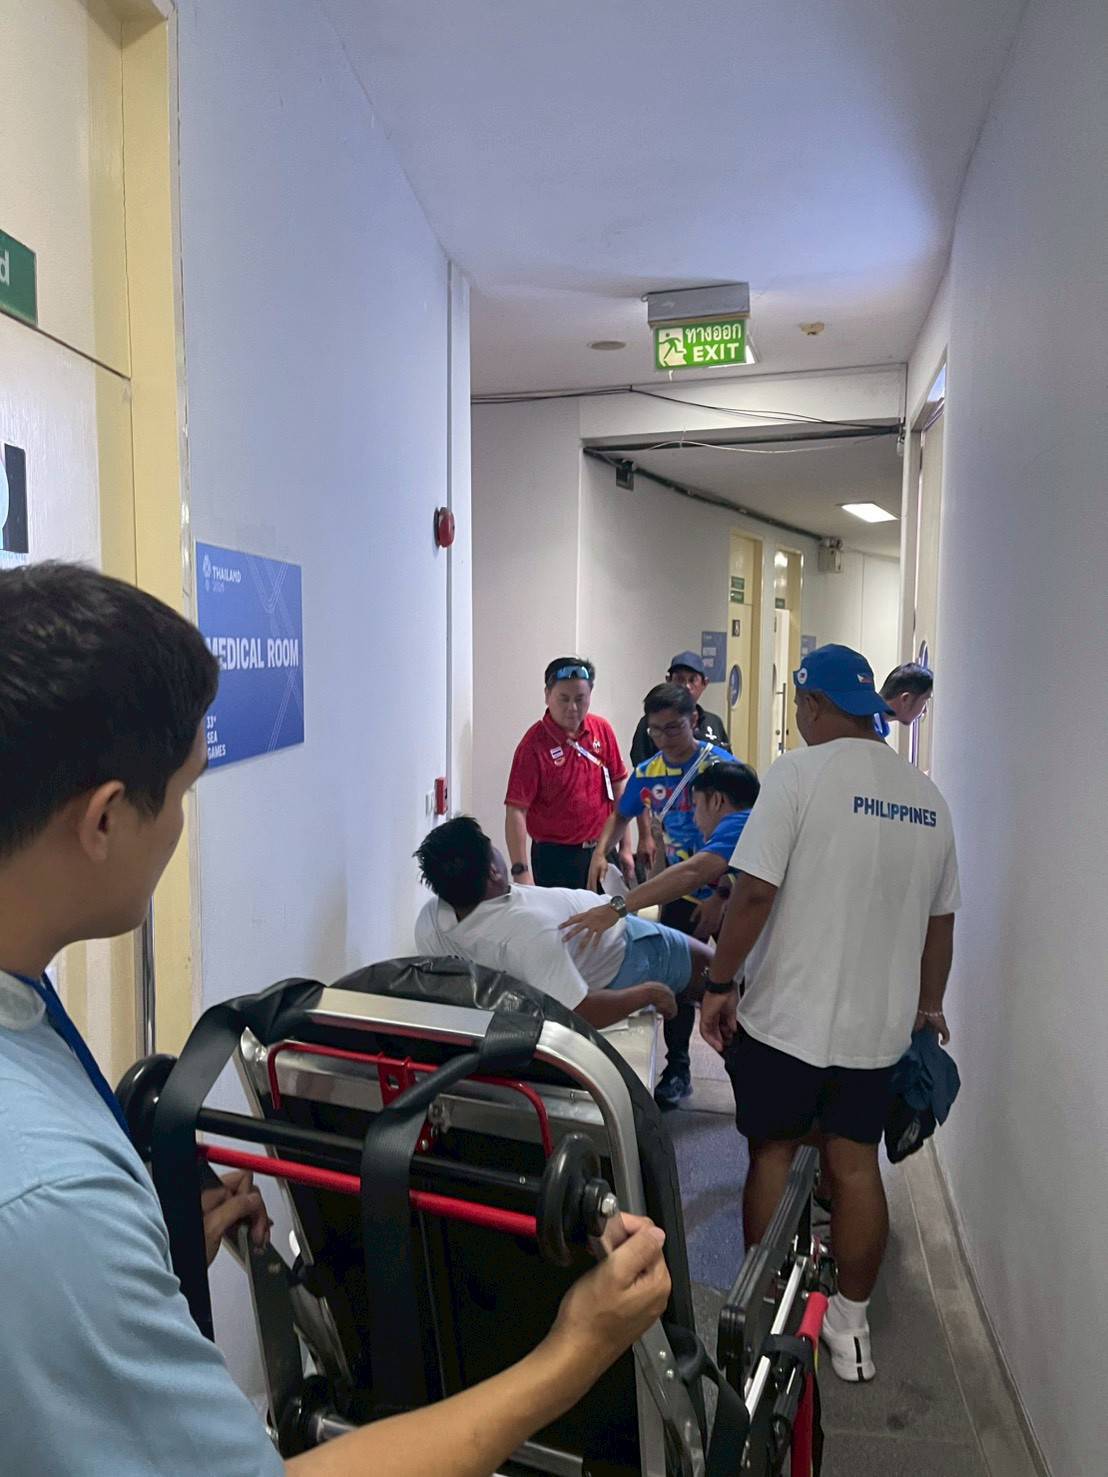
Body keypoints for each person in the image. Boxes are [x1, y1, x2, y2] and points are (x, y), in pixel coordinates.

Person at [0, 562, 670, 1477]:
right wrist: (575, 1349)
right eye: (186, 792)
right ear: (106, 819)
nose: (182, 826)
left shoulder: (27, 1018)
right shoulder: (52, 1204)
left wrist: (126, 1265)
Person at [698, 644, 960, 1385]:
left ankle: (767, 1312)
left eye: (800, 708)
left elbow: (753, 893)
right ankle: (851, 1327)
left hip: (787, 1020)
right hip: (876, 1030)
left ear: (813, 705)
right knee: (854, 1163)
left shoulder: (797, 775)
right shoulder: (928, 799)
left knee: (772, 1155)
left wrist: (719, 983)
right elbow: (941, 923)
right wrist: (928, 1004)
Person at [414, 816, 713, 1029]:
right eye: (492, 847)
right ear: (493, 871)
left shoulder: (432, 920)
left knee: (714, 988)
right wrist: (648, 993)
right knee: (719, 979)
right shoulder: (527, 934)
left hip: (612, 932)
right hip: (630, 951)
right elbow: (580, 1011)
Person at [591, 684, 733, 1108]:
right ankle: (678, 1069)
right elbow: (620, 815)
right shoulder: (647, 772)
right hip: (678, 893)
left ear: (694, 720)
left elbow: (750, 835)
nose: (664, 738)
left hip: (729, 894)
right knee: (678, 979)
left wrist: (722, 896)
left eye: (673, 728)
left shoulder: (721, 767)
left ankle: (745, 1066)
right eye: (655, 730)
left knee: (735, 982)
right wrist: (600, 852)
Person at [560, 762, 760, 948]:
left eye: (696, 805)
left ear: (717, 801)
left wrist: (614, 909)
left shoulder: (738, 824)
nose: (694, 818)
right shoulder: (751, 823)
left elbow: (692, 872)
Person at [505, 657, 631, 889]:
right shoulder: (533, 745)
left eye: (580, 699)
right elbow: (516, 810)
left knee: (610, 911)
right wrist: (520, 871)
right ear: (547, 695)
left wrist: (625, 847)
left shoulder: (601, 730)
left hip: (603, 850)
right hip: (555, 859)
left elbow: (619, 786)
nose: (572, 708)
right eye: (564, 698)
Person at [629, 651, 731, 766]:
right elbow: (641, 765)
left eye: (692, 680)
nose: (686, 686)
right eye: (679, 679)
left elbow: (728, 763)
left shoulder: (714, 722)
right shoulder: (650, 723)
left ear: (705, 683)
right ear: (668, 680)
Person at [875, 661, 933, 740]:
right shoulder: (865, 728)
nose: (925, 711)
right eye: (925, 700)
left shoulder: (878, 727)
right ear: (906, 699)